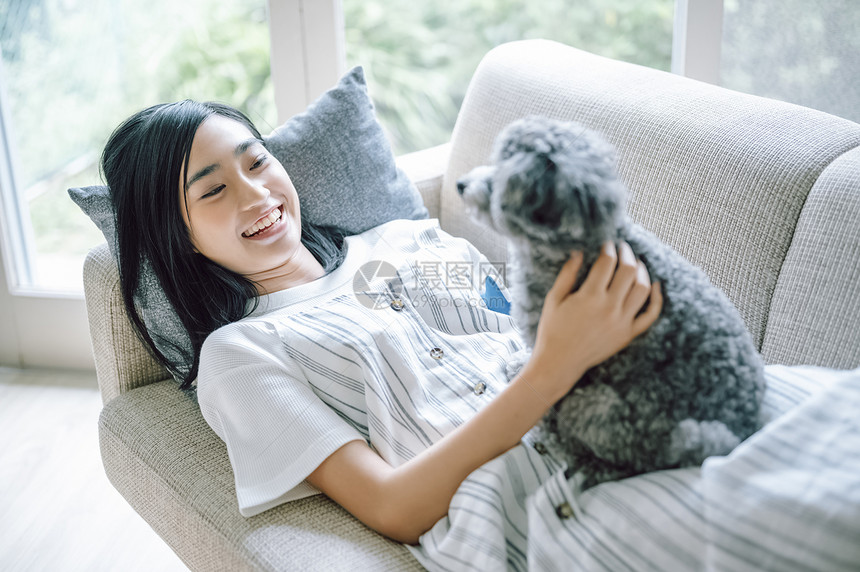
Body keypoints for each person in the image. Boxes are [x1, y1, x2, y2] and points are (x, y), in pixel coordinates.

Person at [101, 100, 662, 549]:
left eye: (257, 162)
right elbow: (393, 507)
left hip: (649, 428)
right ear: (179, 233)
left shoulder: (412, 240)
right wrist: (551, 373)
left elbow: (524, 332)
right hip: (559, 518)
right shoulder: (240, 355)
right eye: (214, 190)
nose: (257, 194)